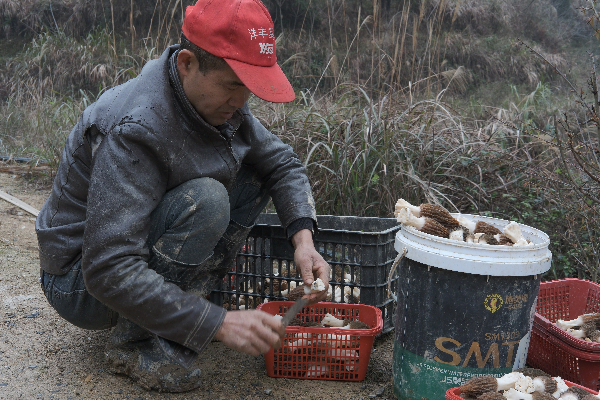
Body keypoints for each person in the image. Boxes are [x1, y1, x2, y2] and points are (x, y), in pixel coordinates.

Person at [35, 0, 330, 393]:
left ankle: (189, 303)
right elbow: (107, 269)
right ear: (188, 63)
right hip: (80, 283)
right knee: (207, 200)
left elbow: (283, 164)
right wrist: (218, 324)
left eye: (249, 88)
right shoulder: (134, 129)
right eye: (233, 85)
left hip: (117, 260)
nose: (241, 101)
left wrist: (303, 241)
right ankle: (135, 342)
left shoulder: (216, 104)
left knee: (255, 174)